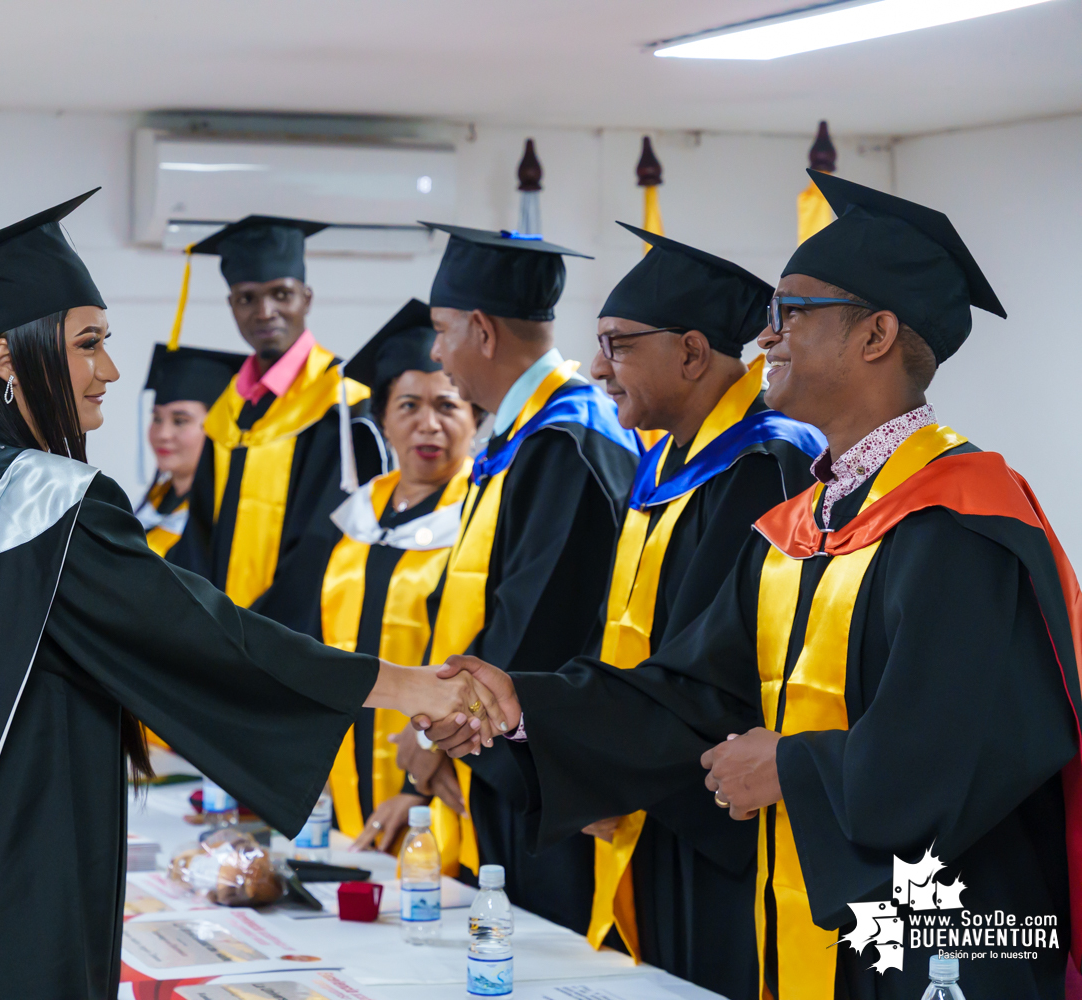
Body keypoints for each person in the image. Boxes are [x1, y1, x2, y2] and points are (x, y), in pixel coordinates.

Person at [0, 191, 503, 1000]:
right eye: (88, 344)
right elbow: (207, 638)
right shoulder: (47, 502)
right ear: (9, 359)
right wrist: (411, 686)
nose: (109, 369)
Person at [432, 173, 1082, 1000]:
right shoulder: (804, 523)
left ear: (876, 334)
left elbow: (961, 756)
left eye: (790, 314)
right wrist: (530, 708)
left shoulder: (963, 527)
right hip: (813, 922)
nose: (764, 338)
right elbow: (688, 692)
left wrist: (793, 769)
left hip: (942, 940)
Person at [572, 223, 823, 998]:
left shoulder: (765, 465)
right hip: (656, 803)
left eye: (617, 345)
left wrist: (598, 762)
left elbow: (711, 667)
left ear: (688, 352)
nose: (595, 369)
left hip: (727, 822)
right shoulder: (666, 461)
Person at [400, 223, 639, 930]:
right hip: (505, 759)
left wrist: (440, 729)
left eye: (442, 332)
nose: (436, 353)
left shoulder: (571, 438)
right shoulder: (521, 435)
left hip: (548, 771)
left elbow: (535, 622)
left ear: (480, 328)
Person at [309, 299, 481, 858]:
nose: (427, 424)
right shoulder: (356, 517)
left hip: (442, 772)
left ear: (474, 418)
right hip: (344, 772)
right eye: (408, 405)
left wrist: (416, 786)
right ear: (382, 418)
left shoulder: (479, 518)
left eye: (447, 405)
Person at [167, 216, 384, 633]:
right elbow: (199, 535)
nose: (265, 312)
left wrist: (260, 641)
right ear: (231, 306)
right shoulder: (228, 409)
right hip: (224, 643)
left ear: (306, 297)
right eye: (247, 298)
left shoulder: (341, 405)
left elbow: (325, 543)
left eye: (281, 294)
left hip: (297, 645)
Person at [136, 342, 244, 556]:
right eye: (157, 418)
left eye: (180, 420)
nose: (163, 433)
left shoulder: (227, 516)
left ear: (218, 427)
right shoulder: (157, 499)